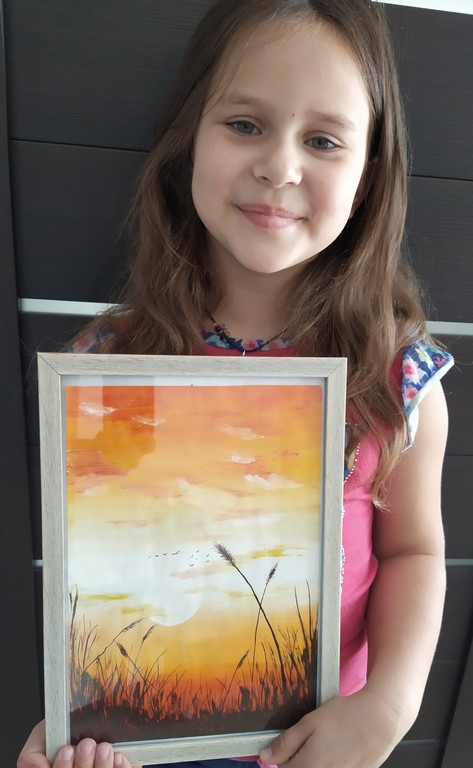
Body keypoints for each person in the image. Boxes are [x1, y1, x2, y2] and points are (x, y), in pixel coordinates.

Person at [18, 0, 454, 767]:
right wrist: (69, 726)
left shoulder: (396, 376)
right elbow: (93, 580)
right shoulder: (106, 365)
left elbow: (414, 552)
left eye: (322, 140)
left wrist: (390, 704)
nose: (279, 168)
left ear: (367, 174)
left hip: (324, 747)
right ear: (190, 138)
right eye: (245, 124)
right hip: (146, 744)